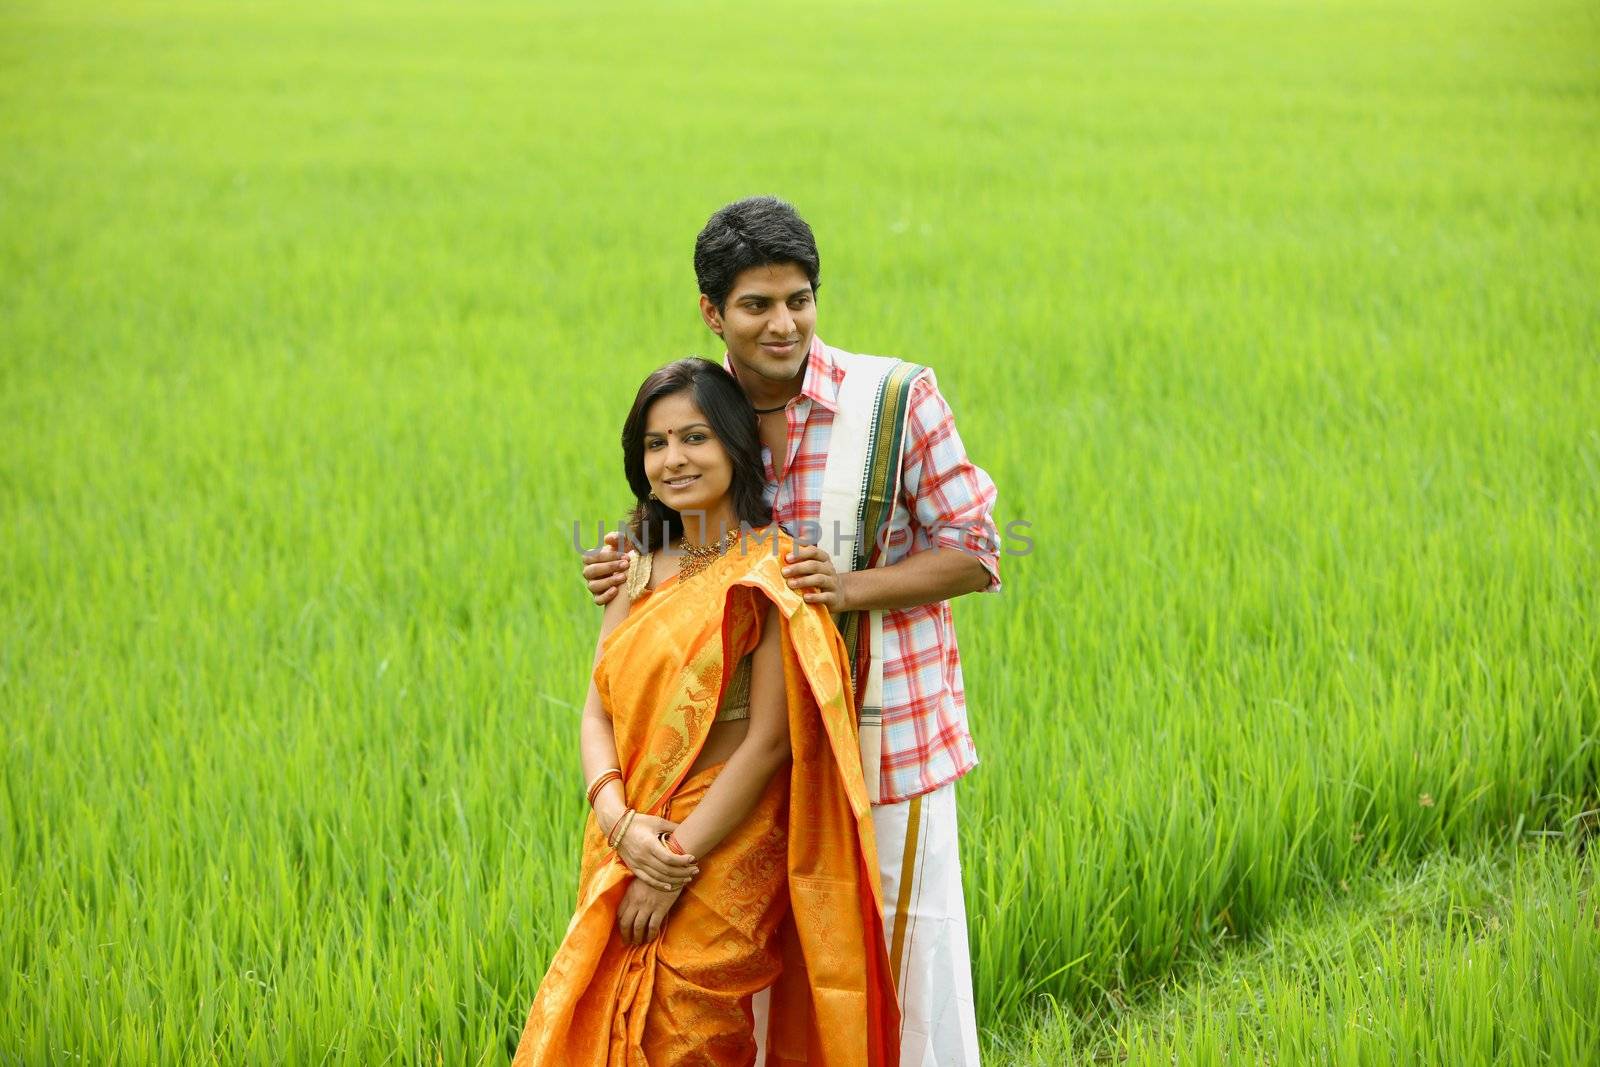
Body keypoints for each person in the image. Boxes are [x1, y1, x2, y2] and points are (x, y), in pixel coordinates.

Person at [583, 198, 1000, 1066]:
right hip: (737, 773)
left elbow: (977, 551)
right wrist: (629, 551)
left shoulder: (894, 398)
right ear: (712, 312)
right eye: (757, 305)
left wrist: (845, 589)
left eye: (799, 299)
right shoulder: (708, 412)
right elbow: (682, 518)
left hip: (886, 744)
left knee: (900, 970)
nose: (784, 324)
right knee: (765, 995)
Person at [515, 358, 899, 1067]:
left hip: (722, 839)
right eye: (655, 444)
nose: (674, 459)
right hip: (627, 828)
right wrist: (617, 819)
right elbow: (597, 707)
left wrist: (673, 860)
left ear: (733, 445)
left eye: (694, 437)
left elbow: (770, 741)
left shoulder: (769, 571)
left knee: (690, 1027)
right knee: (603, 1015)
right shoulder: (633, 567)